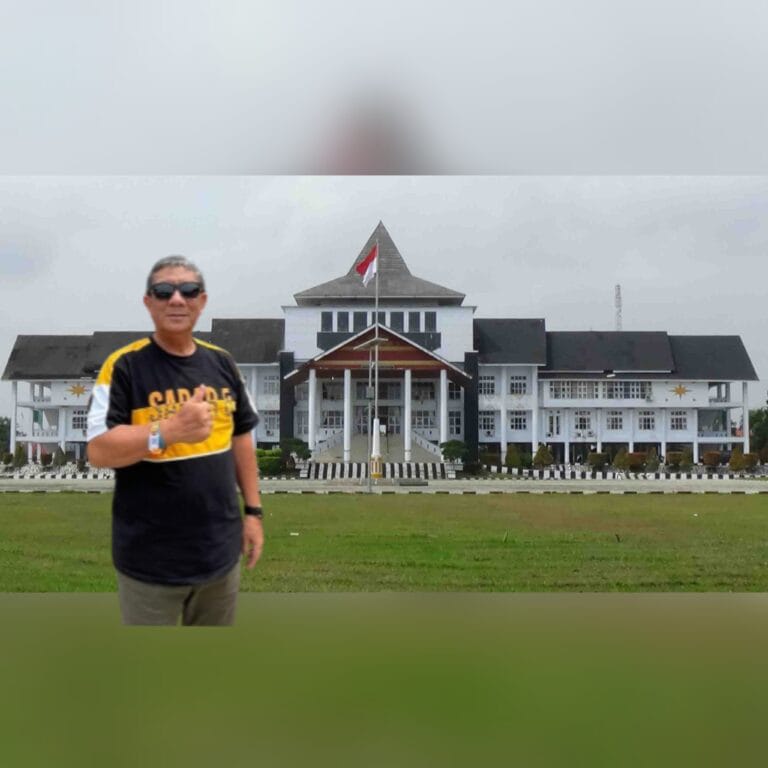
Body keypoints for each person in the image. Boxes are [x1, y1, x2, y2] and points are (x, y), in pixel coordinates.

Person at [86, 256, 263, 626]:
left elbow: (242, 439)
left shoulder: (223, 364)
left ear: (202, 300)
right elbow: (99, 450)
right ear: (148, 302)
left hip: (220, 555)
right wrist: (167, 432)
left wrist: (253, 513)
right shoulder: (124, 366)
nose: (177, 299)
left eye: (189, 290)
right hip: (150, 562)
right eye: (164, 291)